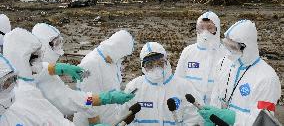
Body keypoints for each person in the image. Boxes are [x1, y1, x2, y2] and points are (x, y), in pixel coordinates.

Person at [3, 28, 134, 125]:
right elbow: (67, 105)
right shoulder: (25, 93)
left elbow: (75, 99)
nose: (40, 61)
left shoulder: (35, 75)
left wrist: (104, 98)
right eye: (35, 57)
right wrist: (98, 107)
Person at [199, 20, 281, 125]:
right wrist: (211, 117)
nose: (229, 51)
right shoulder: (223, 64)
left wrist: (235, 118)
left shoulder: (267, 79)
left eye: (233, 47)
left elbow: (263, 122)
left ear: (246, 46)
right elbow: (216, 98)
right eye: (227, 45)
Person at [120, 42, 202, 126]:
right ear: (143, 67)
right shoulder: (133, 88)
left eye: (160, 63)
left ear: (166, 61)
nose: (155, 67)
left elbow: (194, 118)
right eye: (149, 65)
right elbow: (125, 118)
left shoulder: (184, 87)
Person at [74, 30, 134, 125]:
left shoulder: (113, 60)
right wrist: (94, 123)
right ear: (118, 49)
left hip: (107, 120)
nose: (124, 59)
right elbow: (86, 100)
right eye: (124, 56)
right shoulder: (91, 64)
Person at [175, 11, 227, 105]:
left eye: (210, 28)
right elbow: (178, 81)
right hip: (191, 110)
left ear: (217, 29)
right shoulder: (188, 52)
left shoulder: (226, 54)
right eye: (201, 28)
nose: (205, 32)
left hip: (215, 110)